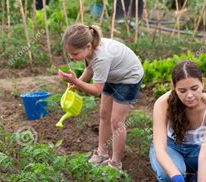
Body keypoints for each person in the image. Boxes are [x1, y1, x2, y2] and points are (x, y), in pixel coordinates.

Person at [58, 24, 143, 171]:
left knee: (116, 122)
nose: (72, 57)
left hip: (128, 78)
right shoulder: (90, 52)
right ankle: (102, 153)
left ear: (88, 46)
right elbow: (90, 69)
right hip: (113, 75)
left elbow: (97, 90)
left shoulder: (101, 57)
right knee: (104, 115)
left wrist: (76, 81)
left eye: (75, 53)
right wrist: (77, 84)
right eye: (70, 54)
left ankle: (115, 163)